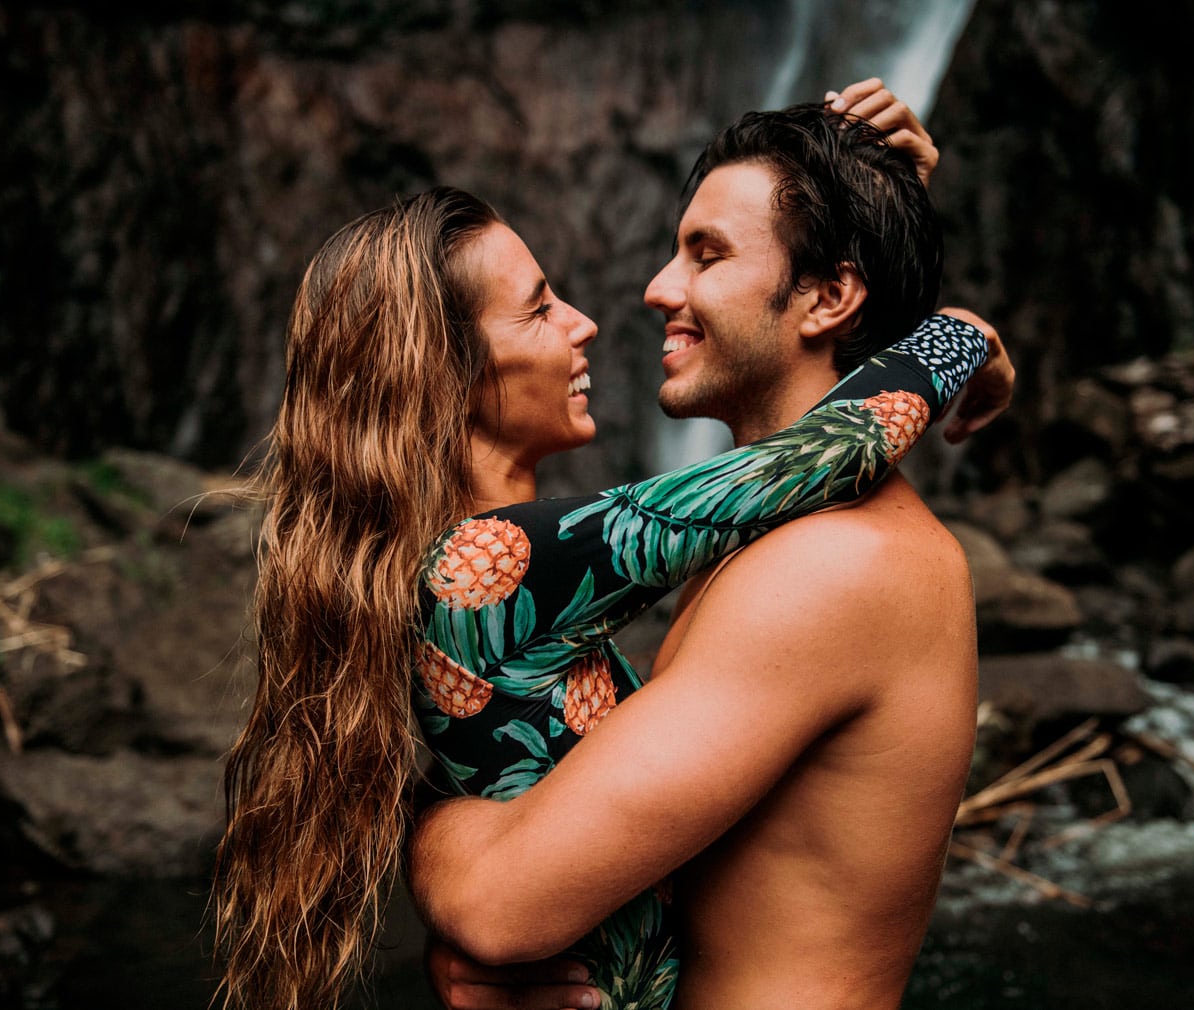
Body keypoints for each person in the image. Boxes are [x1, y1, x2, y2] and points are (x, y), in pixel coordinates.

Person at [210, 79, 1003, 1009]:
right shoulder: (510, 560)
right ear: (452, 374)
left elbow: (502, 905)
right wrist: (953, 336)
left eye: (705, 254)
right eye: (541, 308)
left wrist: (934, 317)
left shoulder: (832, 565)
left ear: (830, 295)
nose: (643, 294)